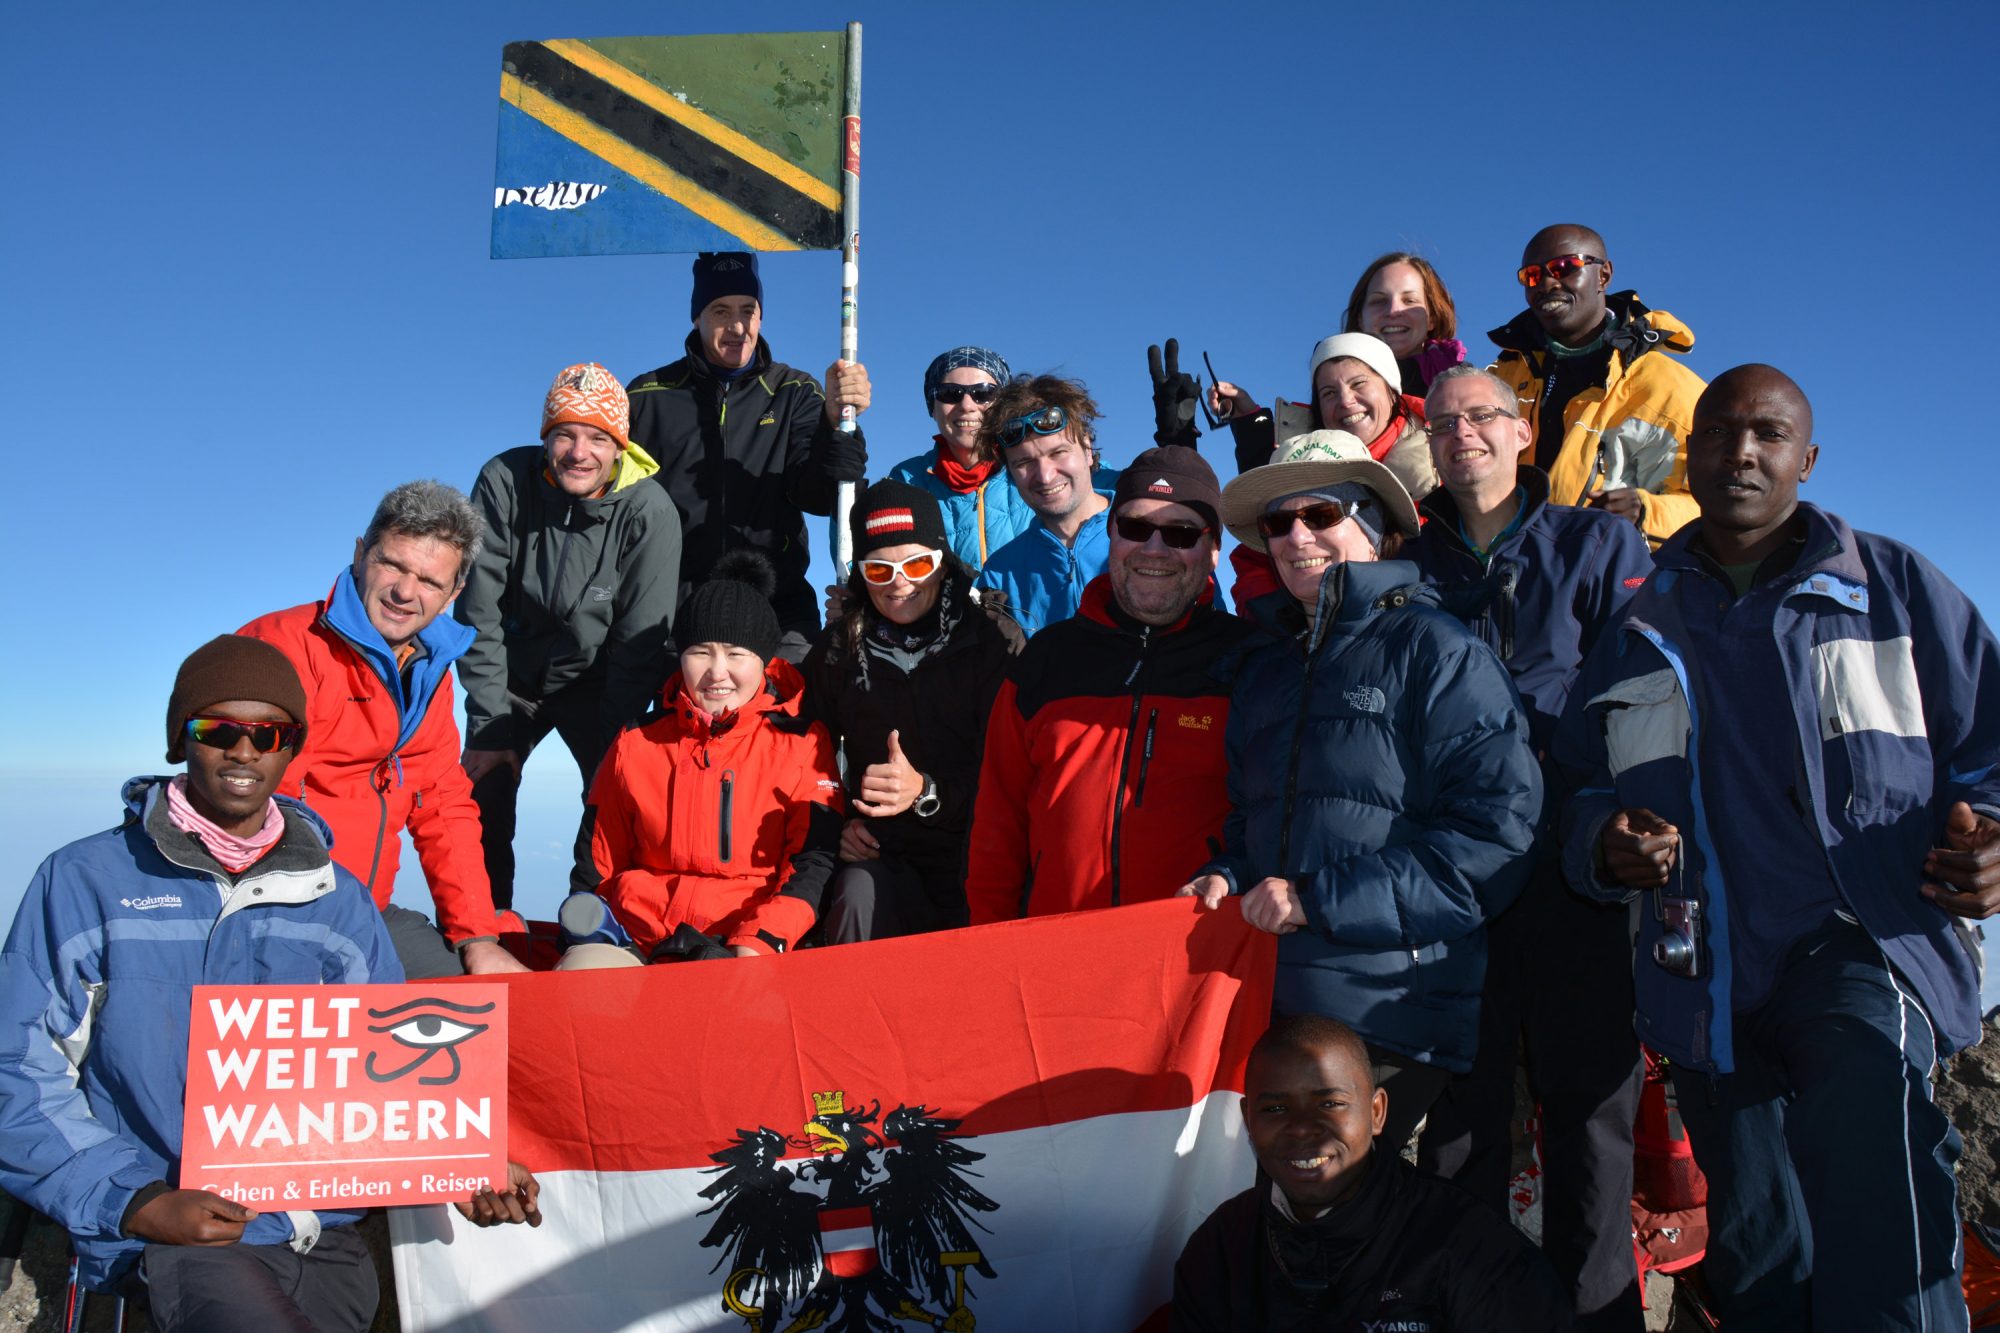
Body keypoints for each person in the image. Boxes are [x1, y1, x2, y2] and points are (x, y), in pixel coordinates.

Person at [1554, 364, 2000, 1328]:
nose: (1742, 452)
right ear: (1689, 451)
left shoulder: (1893, 587)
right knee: (1759, 1251)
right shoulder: (1637, 624)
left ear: (1808, 458)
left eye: (1768, 434)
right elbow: (1581, 781)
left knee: (1879, 1158)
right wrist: (1603, 839)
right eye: (1720, 432)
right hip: (1702, 973)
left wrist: (1994, 837)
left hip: (1860, 940)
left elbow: (1989, 750)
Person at [0, 637, 539, 1329]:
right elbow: (16, 1067)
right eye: (217, 729)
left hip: (325, 1244)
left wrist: (460, 1164)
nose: (244, 750)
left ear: (291, 749)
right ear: (179, 739)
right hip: (178, 1234)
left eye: (269, 733)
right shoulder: (86, 881)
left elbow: (387, 1079)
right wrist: (133, 1200)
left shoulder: (338, 900)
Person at [1183, 431, 1540, 1154]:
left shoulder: (1439, 652)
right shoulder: (1266, 672)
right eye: (1278, 523)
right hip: (1271, 1010)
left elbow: (1495, 841)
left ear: (1373, 525)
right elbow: (1254, 827)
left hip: (1388, 1021)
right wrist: (1229, 872)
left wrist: (1316, 898)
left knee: (1349, 1242)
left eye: (1321, 514)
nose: (1296, 536)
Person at [1400, 365, 1654, 1331]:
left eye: (1482, 416)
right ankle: (1469, 1313)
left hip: (1572, 873)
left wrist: (1554, 790)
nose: (1463, 432)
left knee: (1588, 1116)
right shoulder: (1411, 565)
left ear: (1522, 432)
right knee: (1461, 1130)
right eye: (1443, 420)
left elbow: (1629, 689)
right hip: (1456, 883)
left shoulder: (1598, 542)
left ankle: (1601, 1319)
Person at [240, 482, 527, 979]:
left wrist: (477, 936)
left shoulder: (427, 670)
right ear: (360, 553)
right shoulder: (281, 649)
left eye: (430, 581)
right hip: (268, 917)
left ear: (453, 594)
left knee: (477, 1004)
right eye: (392, 564)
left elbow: (441, 806)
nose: (405, 592)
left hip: (363, 912)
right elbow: (250, 797)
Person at [966, 446, 1262, 922]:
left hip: (1195, 957)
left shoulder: (1250, 661)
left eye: (1181, 533)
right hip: (1058, 951)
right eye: (1135, 527)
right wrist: (989, 940)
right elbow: (997, 826)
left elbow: (1275, 823)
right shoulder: (1045, 660)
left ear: (1212, 551)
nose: (1155, 549)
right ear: (1110, 534)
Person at [1171, 1014, 1574, 1331]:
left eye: (1329, 1103)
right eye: (1275, 1109)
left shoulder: (1470, 1248)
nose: (1302, 1128)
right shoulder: (1221, 1248)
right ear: (1248, 1120)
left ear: (1377, 1112)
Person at [455, 362, 683, 912]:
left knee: (613, 804)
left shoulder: (649, 512)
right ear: (546, 438)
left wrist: (614, 747)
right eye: (565, 434)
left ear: (619, 446)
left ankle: (592, 928)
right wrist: (489, 726)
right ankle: (481, 930)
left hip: (598, 682)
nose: (579, 452)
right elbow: (477, 611)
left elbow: (640, 645)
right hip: (511, 677)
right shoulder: (505, 482)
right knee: (479, 791)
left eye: (598, 438)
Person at [567, 553, 844, 966]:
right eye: (701, 651)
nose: (717, 672)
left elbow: (813, 864)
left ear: (764, 661)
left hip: (745, 945)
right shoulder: (636, 741)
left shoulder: (800, 743)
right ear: (680, 657)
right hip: (636, 941)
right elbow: (597, 866)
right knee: (582, 980)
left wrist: (761, 939)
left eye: (736, 654)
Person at [801, 481, 1024, 941]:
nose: (900, 582)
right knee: (857, 891)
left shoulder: (992, 641)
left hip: (978, 849)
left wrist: (927, 792)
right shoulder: (838, 649)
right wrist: (838, 824)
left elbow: (1016, 772)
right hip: (884, 853)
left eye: (917, 563)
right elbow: (803, 759)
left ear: (941, 565)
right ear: (860, 575)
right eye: (879, 570)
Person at [625, 250, 872, 657]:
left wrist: (836, 424)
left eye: (748, 310)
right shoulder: (648, 396)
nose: (737, 326)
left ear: (761, 316)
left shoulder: (794, 391)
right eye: (720, 311)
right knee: (679, 722)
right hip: (674, 614)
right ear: (696, 317)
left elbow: (817, 495)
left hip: (778, 607)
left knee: (787, 718)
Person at [1490, 223, 1705, 543]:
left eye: (1565, 267)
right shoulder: (1500, 377)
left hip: (1619, 583)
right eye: (1533, 276)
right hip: (1510, 572)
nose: (1548, 283)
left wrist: (1645, 510)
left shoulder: (1672, 389)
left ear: (1603, 275)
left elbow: (1719, 505)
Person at [1210, 333, 1437, 607]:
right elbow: (1256, 562)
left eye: (1359, 383)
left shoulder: (1442, 466)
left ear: (1391, 390)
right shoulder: (1299, 463)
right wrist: (1274, 621)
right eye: (1328, 393)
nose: (1345, 401)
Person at [973, 374, 1121, 636]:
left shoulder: (1148, 537)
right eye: (1024, 463)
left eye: (1058, 453)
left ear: (1087, 449)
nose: (1045, 476)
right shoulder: (1000, 573)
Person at [885, 346, 1035, 570]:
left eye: (984, 393)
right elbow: (869, 552)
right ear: (933, 408)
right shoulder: (906, 481)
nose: (967, 405)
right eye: (950, 394)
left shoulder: (1038, 468)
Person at [1343, 251, 1468, 394]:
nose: (1393, 310)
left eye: (1409, 301)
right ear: (1360, 318)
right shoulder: (1335, 394)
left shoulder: (1470, 388)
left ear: (1432, 318)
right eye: (1379, 301)